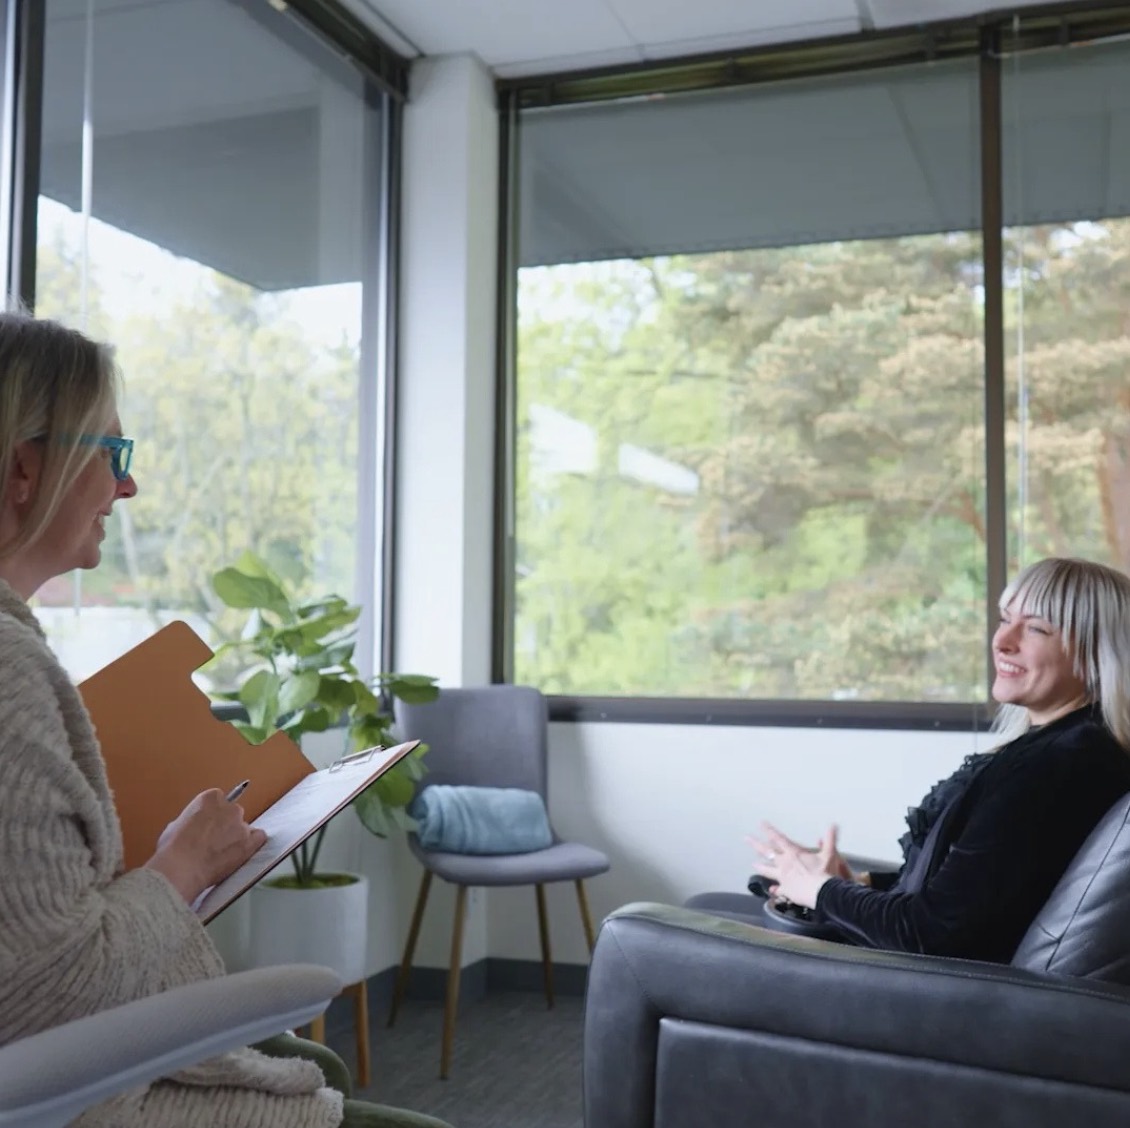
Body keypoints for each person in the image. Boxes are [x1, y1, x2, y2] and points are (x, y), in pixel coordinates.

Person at [0, 312, 450, 1128]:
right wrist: (182, 866)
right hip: (82, 1103)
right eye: (110, 454)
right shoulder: (8, 673)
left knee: (311, 1063)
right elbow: (50, 995)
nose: (127, 487)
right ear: (25, 468)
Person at [689, 556, 1130, 963]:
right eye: (1004, 619)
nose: (1002, 641)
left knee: (660, 934)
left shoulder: (1058, 767)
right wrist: (855, 885)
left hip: (922, 987)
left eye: (1035, 629)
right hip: (920, 970)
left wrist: (821, 891)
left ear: (1096, 654)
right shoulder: (1063, 747)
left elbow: (930, 934)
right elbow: (983, 891)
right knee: (705, 908)